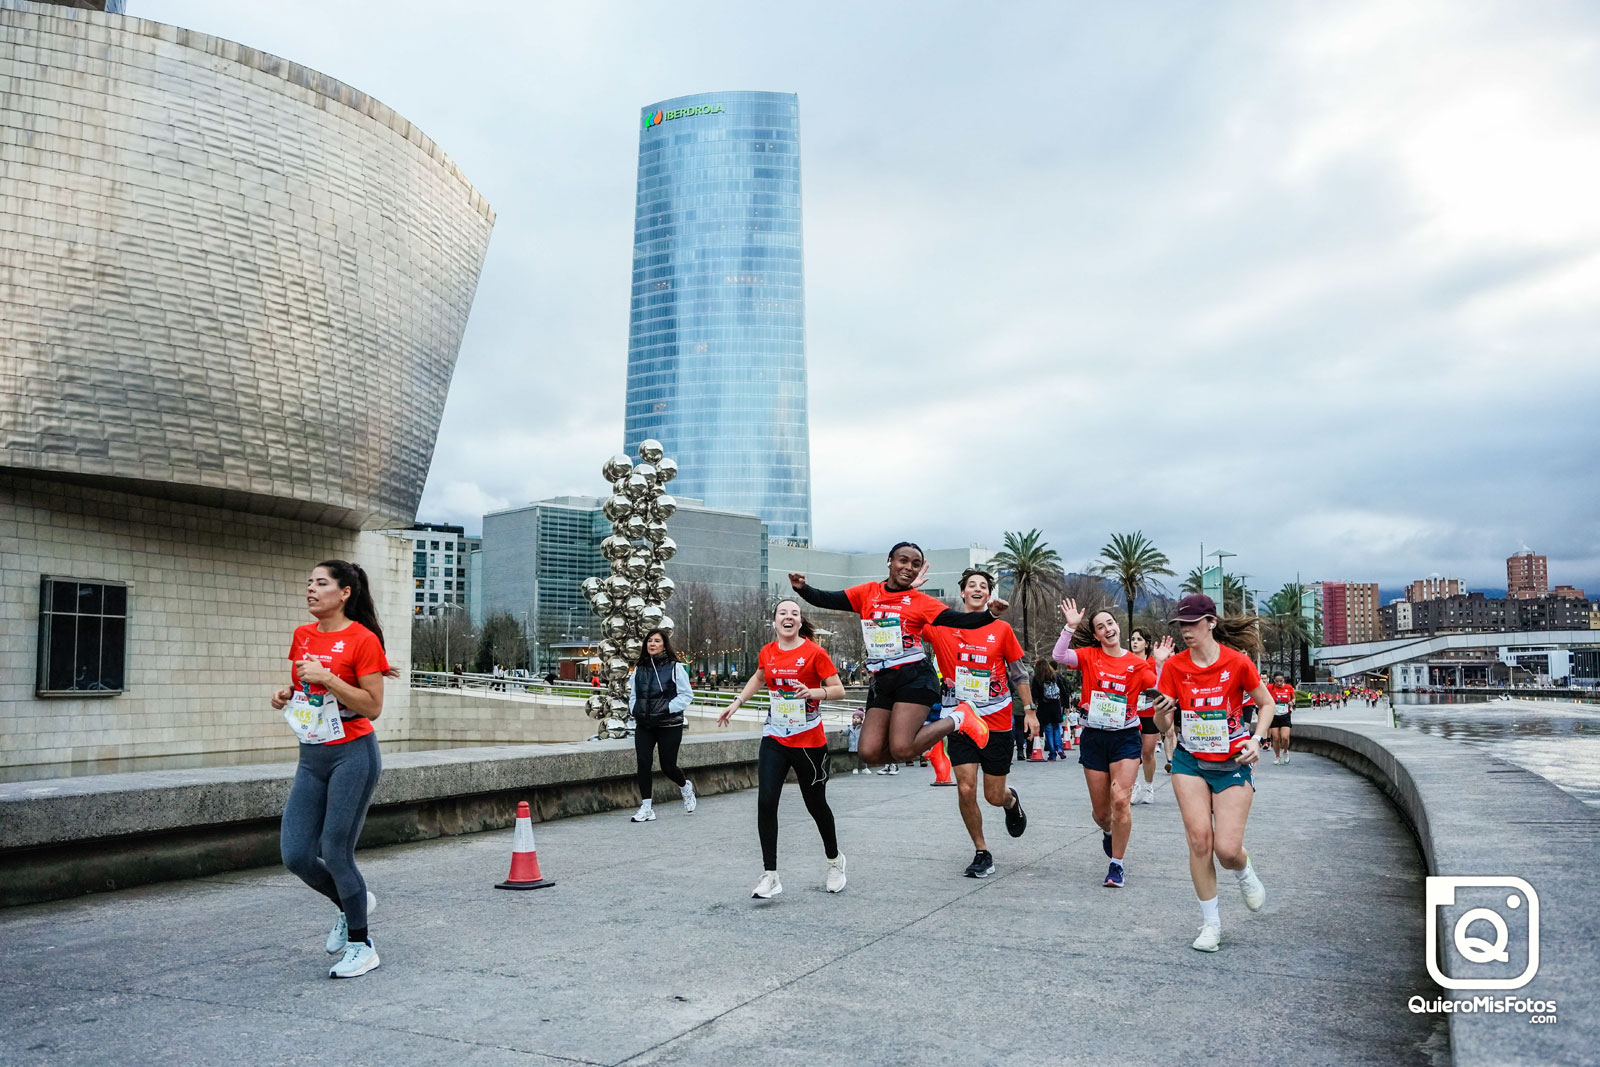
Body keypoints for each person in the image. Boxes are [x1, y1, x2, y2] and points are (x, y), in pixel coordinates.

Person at [270, 560, 396, 979]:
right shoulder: (302, 635)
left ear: (344, 593)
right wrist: (287, 694)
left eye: (321, 583)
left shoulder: (362, 639)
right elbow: (305, 689)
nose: (311, 588)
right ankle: (351, 902)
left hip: (352, 754)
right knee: (296, 855)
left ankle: (362, 946)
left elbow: (373, 707)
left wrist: (329, 678)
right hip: (312, 756)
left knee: (336, 851)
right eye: (309, 582)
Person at [788, 542, 1004, 770]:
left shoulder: (920, 602)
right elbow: (828, 598)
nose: (909, 567)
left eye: (915, 564)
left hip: (914, 677)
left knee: (902, 749)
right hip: (883, 681)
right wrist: (802, 588)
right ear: (889, 561)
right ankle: (927, 745)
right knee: (868, 752)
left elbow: (960, 620)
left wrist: (991, 615)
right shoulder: (868, 593)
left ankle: (960, 718)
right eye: (903, 561)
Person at [1149, 595, 1278, 953]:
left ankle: (1244, 870)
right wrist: (1161, 711)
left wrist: (1256, 739)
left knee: (1227, 849)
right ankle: (1211, 924)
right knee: (1199, 841)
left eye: (1192, 623)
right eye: (1181, 625)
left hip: (1233, 761)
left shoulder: (1237, 663)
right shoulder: (1174, 667)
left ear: (1211, 622)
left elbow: (1266, 704)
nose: (1186, 631)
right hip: (1189, 761)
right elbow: (1163, 725)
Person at [719, 600, 848, 898]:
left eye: (794, 614)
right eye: (783, 613)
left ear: (800, 622)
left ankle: (834, 861)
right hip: (775, 736)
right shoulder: (768, 651)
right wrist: (737, 703)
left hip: (808, 741)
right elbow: (759, 677)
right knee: (766, 802)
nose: (788, 617)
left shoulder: (815, 653)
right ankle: (771, 875)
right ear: (774, 621)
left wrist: (814, 692)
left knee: (816, 805)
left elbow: (839, 689)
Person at [923, 568, 1038, 878]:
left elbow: (1019, 673)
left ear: (988, 594)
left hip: (996, 721)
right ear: (962, 592)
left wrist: (1029, 711)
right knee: (965, 788)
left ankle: (1010, 801)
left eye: (983, 586)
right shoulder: (941, 626)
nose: (977, 589)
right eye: (971, 585)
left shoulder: (1001, 629)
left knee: (993, 796)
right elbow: (910, 618)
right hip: (960, 720)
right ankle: (981, 851)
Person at [1051, 599, 1161, 889]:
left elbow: (1159, 689)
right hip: (1094, 737)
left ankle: (1117, 865)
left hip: (1125, 736)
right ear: (1096, 635)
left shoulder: (1136, 663)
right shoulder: (1089, 656)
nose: (1107, 629)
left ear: (1117, 627)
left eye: (1110, 623)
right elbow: (1058, 655)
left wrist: (1160, 663)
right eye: (1100, 627)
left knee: (1121, 801)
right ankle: (1109, 832)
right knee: (1102, 814)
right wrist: (1069, 627)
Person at [627, 629, 696, 822]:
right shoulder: (640, 669)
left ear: (664, 645)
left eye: (657, 641)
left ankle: (685, 786)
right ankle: (646, 807)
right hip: (645, 724)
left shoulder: (675, 667)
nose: (652, 644)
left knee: (668, 766)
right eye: (649, 641)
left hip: (669, 725)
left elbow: (686, 695)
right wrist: (635, 709)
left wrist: (666, 708)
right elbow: (634, 694)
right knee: (643, 763)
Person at [1127, 628, 1175, 804]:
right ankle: (1134, 785)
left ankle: (1149, 786)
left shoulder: (1154, 662)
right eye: (1133, 639)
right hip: (1130, 712)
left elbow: (1161, 684)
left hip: (1149, 712)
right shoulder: (1126, 660)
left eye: (1139, 639)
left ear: (1146, 644)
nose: (1135, 642)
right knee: (1131, 753)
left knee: (1147, 753)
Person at [1033, 659, 1066, 759]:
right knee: (1056, 728)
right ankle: (1060, 748)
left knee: (1048, 730)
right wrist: (1065, 705)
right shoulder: (1055, 676)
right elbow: (1063, 690)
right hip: (1055, 705)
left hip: (1044, 706)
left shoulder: (1037, 678)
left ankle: (1052, 753)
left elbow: (1035, 694)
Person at [1267, 673, 1296, 764]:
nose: (1279, 683)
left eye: (1281, 681)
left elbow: (1293, 698)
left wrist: (1292, 702)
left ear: (1284, 680)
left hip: (1285, 714)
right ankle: (1277, 756)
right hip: (1274, 715)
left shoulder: (1289, 687)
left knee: (1285, 737)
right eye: (1277, 681)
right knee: (1275, 738)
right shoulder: (1270, 687)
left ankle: (1285, 751)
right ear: (1273, 680)